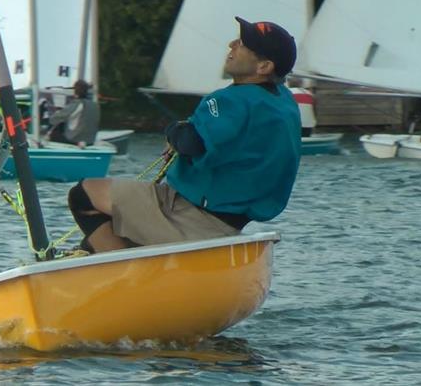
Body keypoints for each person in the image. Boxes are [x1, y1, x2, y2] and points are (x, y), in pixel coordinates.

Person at [65, 16, 301, 254]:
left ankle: (121, 274)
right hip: (232, 222)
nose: (232, 44)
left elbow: (191, 143)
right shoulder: (284, 102)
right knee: (102, 237)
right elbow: (231, 140)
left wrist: (174, 131)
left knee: (83, 196)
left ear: (263, 67)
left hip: (189, 215)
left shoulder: (232, 100)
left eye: (242, 44)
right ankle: (113, 255)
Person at [47, 80, 100, 146]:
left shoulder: (77, 103)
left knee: (54, 134)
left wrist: (57, 113)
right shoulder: (95, 105)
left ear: (75, 91)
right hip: (90, 141)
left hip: (75, 140)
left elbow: (53, 119)